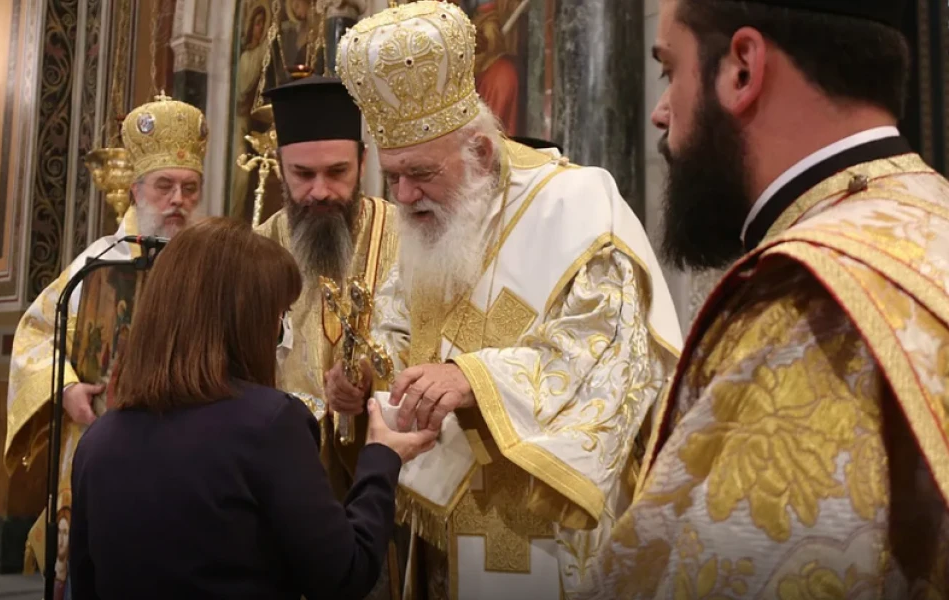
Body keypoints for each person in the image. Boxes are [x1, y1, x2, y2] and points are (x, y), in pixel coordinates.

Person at [332, 2, 683, 598]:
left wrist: (475, 380)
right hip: (438, 535)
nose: (405, 195)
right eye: (392, 177)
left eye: (420, 173)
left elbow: (609, 355)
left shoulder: (577, 206)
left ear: (482, 153)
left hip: (541, 529)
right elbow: (398, 329)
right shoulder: (425, 225)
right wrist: (364, 376)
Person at [605, 0, 949, 596]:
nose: (661, 112)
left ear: (741, 68)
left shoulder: (805, 307)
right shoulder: (931, 217)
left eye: (670, 70)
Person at [67, 218, 436, 599]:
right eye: (279, 316)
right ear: (248, 321)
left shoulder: (97, 442)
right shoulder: (269, 424)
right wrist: (381, 458)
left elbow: (86, 584)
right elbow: (343, 575)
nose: (280, 333)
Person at [3, 94, 208, 594]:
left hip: (193, 455)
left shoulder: (210, 264)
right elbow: (35, 335)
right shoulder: (96, 264)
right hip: (107, 449)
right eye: (165, 186)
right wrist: (68, 389)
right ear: (138, 190)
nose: (177, 199)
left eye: (189, 188)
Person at [254, 75, 399, 500]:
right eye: (303, 174)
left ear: (364, 161)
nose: (320, 191)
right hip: (281, 482)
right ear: (281, 167)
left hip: (383, 481)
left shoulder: (405, 237)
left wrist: (371, 378)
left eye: (337, 172)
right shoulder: (255, 252)